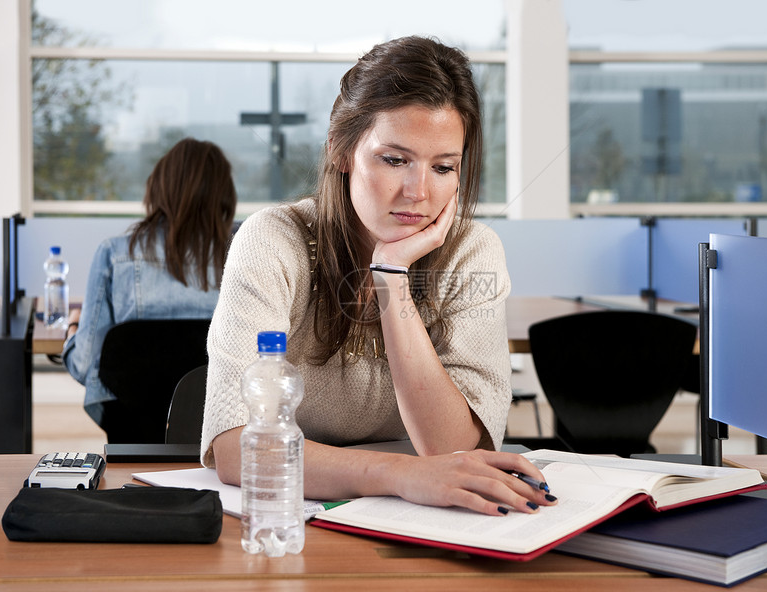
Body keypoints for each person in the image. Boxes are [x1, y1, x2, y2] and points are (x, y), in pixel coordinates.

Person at [203, 36, 556, 516]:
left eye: (443, 167)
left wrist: (391, 275)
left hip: (431, 516)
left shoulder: (472, 251)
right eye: (395, 160)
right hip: (299, 514)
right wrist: (398, 475)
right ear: (341, 151)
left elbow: (451, 449)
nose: (418, 191)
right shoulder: (272, 241)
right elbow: (235, 447)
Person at [63, 137, 237, 432]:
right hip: (224, 439)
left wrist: (71, 331)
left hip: (133, 444)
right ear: (225, 194)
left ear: (158, 187)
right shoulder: (247, 251)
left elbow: (84, 365)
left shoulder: (115, 255)